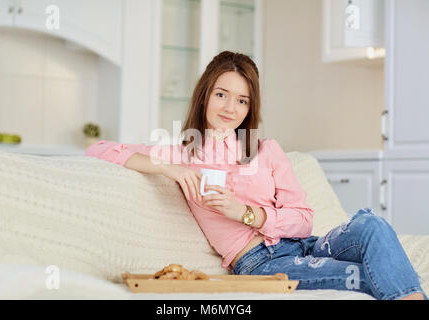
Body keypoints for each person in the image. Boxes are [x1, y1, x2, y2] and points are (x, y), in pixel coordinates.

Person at [85, 51, 426, 300]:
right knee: (367, 274)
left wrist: (246, 213)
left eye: (242, 100)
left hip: (304, 245)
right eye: (221, 95)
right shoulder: (183, 152)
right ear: (205, 95)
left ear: (250, 108)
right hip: (257, 261)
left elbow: (304, 220)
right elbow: (99, 148)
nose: (230, 108)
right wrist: (169, 167)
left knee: (372, 225)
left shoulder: (266, 150)